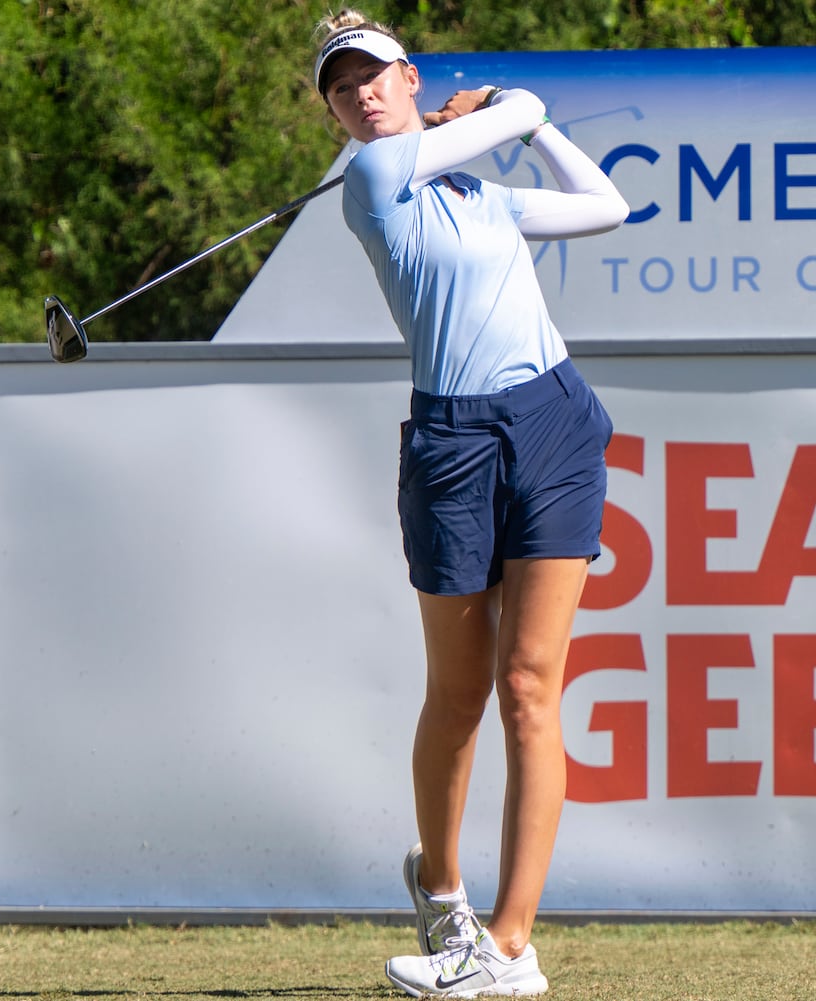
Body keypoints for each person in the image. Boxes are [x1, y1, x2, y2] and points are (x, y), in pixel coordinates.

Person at [312, 9, 629, 998]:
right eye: (341, 86)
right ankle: (443, 892)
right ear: (335, 115)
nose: (361, 93)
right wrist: (504, 106)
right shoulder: (369, 182)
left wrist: (528, 133)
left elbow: (606, 204)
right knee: (458, 692)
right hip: (451, 441)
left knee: (531, 683)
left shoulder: (482, 198)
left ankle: (509, 947)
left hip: (554, 418)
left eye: (375, 75)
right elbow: (523, 99)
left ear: (410, 77)